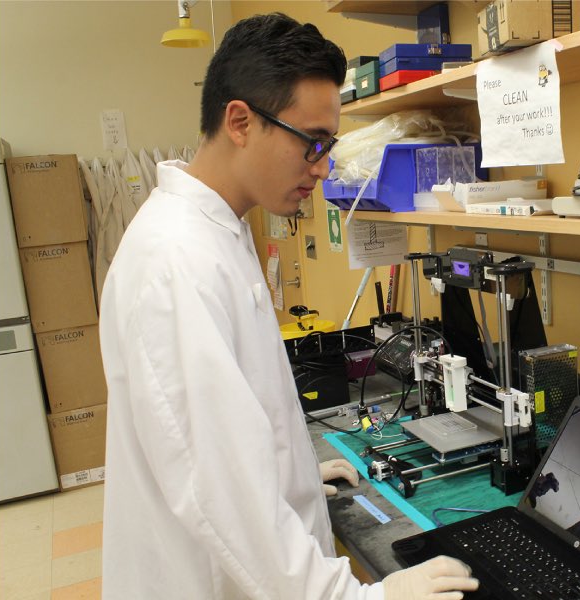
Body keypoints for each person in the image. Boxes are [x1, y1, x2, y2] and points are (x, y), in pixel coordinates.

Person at [99, 13, 479, 600]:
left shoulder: (215, 231)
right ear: (240, 121)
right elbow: (216, 486)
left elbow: (226, 420)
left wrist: (291, 476)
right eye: (314, 143)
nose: (324, 167)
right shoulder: (175, 260)